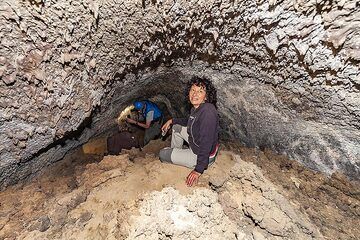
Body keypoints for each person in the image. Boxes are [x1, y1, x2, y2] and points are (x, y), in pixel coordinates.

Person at [159, 77, 220, 187]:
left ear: (206, 96)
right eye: (193, 90)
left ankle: (175, 156)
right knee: (176, 127)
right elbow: (189, 121)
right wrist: (172, 121)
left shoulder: (207, 112)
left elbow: (206, 142)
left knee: (163, 154)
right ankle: (176, 153)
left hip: (199, 155)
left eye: (200, 91)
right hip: (195, 143)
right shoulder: (197, 108)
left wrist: (198, 169)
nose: (195, 94)